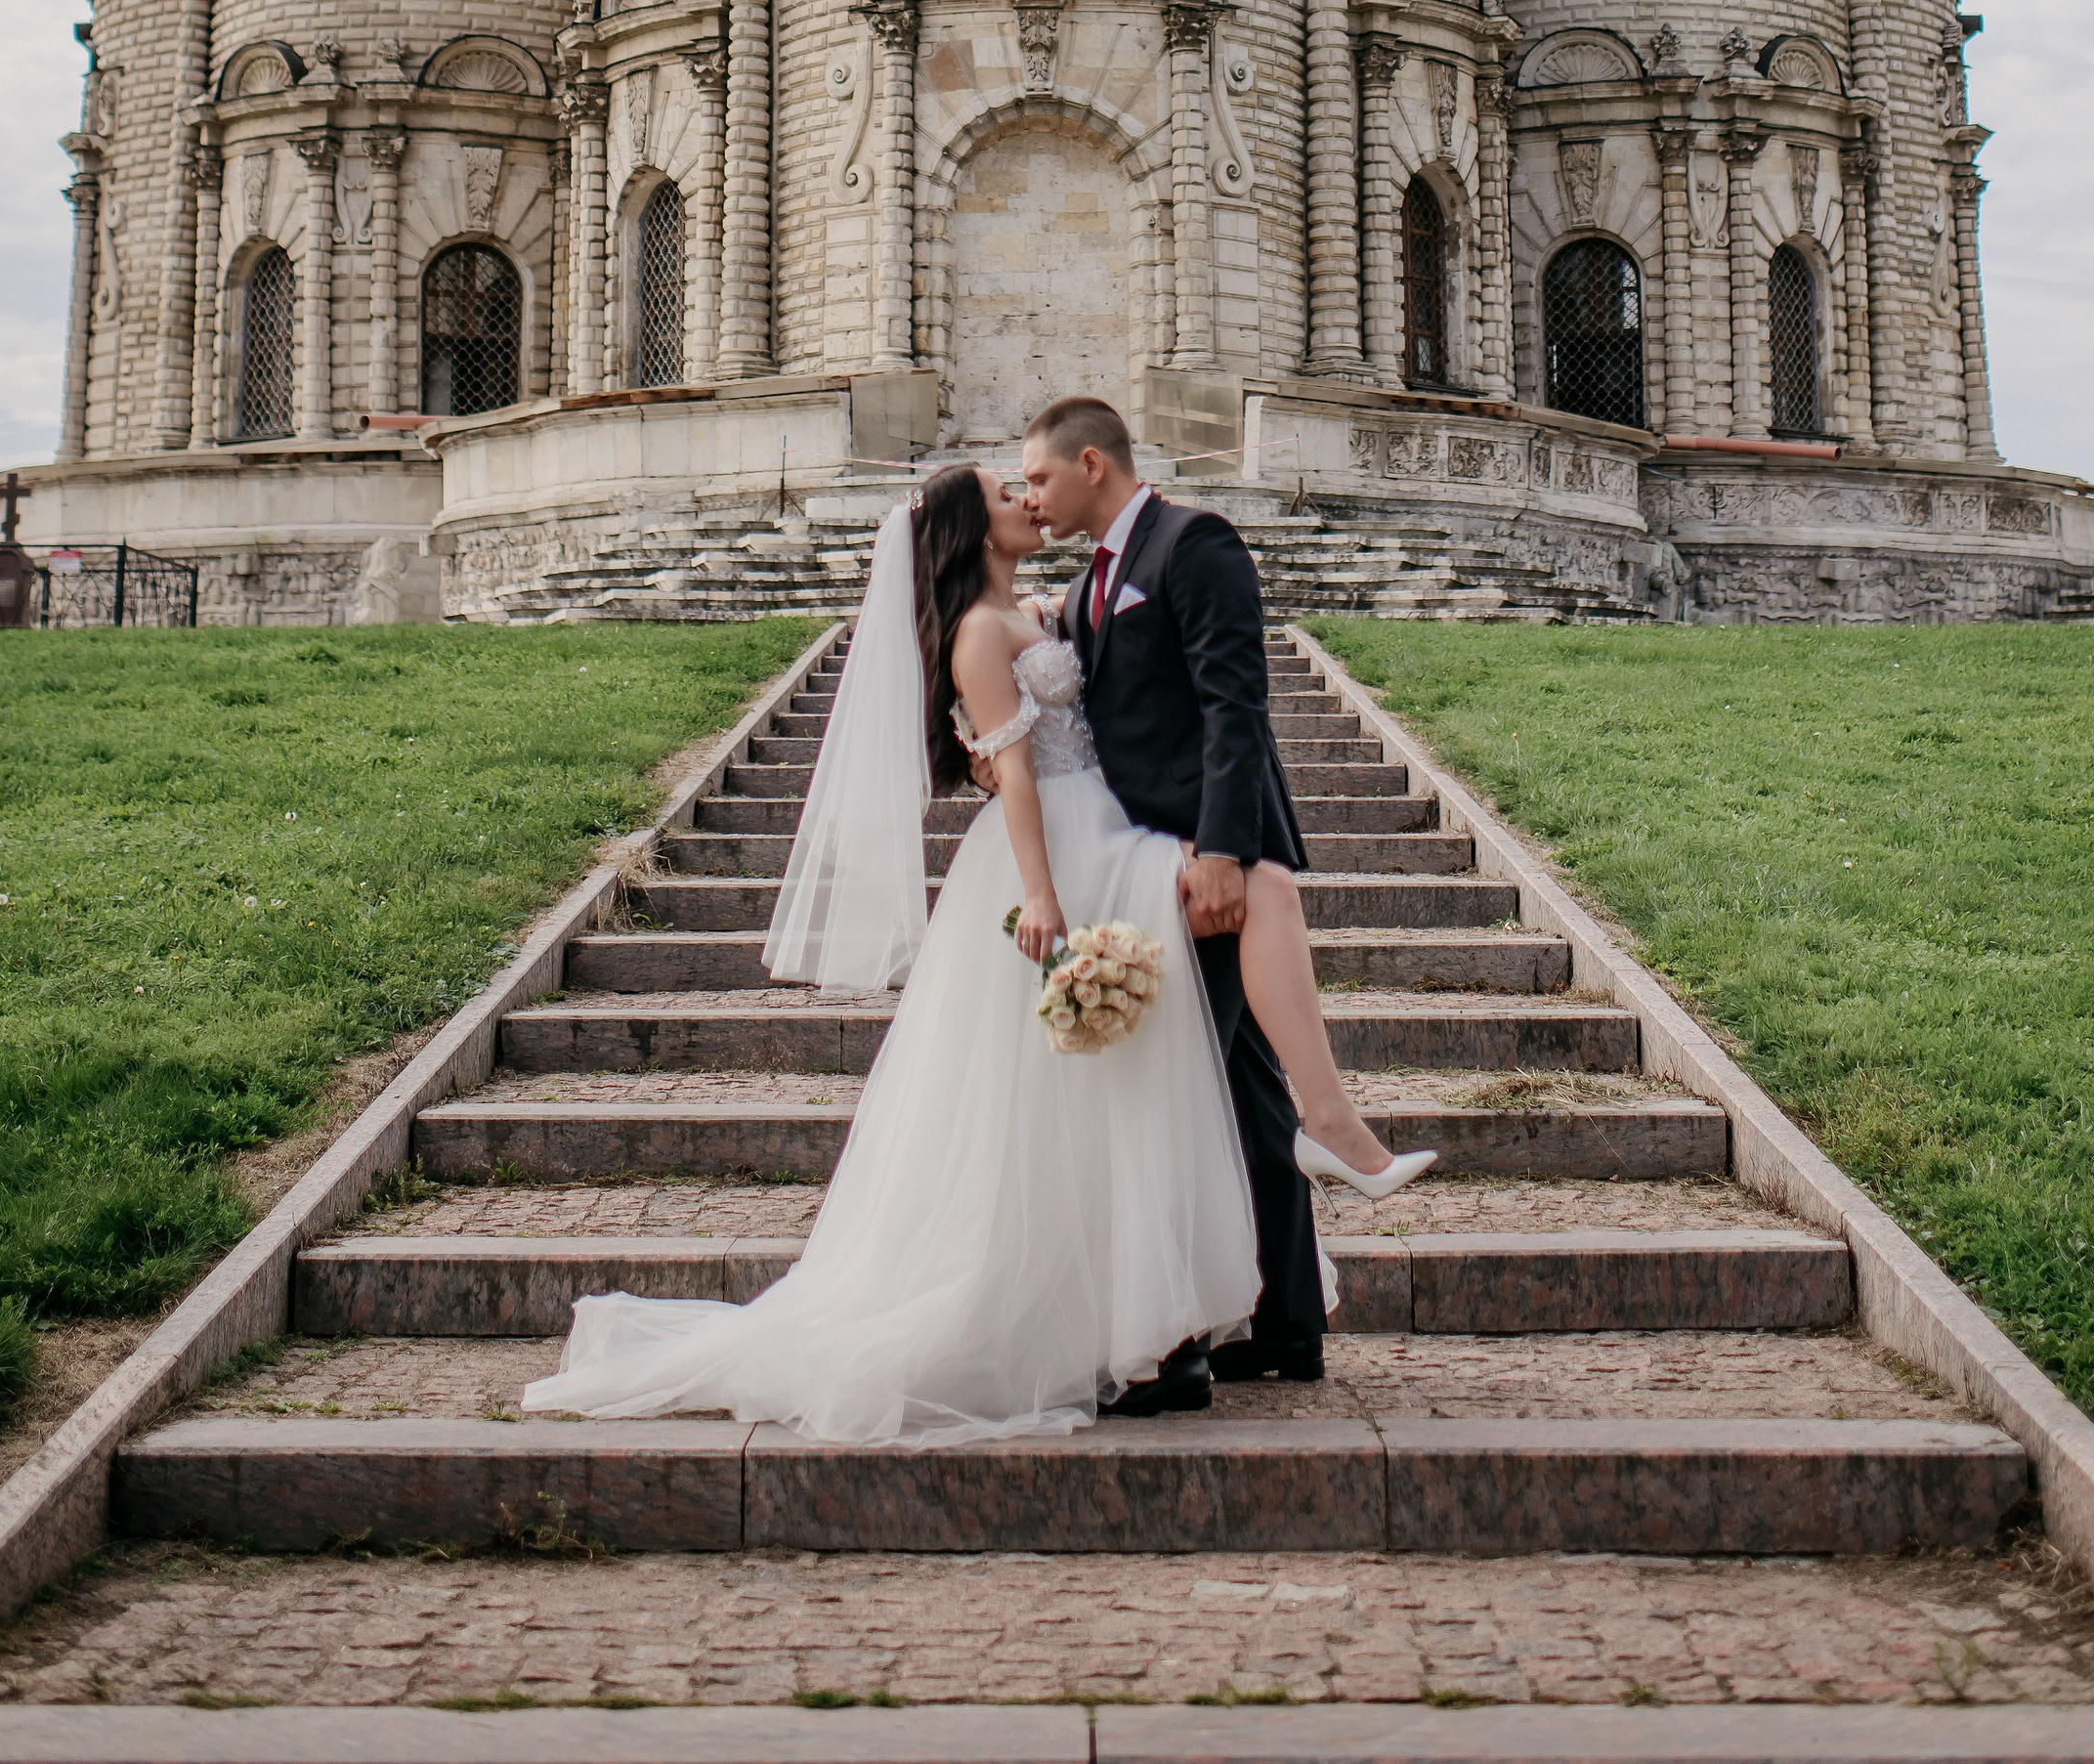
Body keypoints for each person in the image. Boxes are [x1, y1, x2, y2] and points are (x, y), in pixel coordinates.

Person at [521, 461, 1260, 1443]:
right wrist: (1041, 892)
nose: (1026, 499)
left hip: (1105, 831)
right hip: (1049, 852)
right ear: (973, 532)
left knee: (1111, 1091)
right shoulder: (976, 633)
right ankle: (1102, 1327)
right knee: (1052, 1096)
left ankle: (1146, 1325)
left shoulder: (1034, 609)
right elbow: (1016, 773)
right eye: (1005, 494)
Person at [1022, 395, 1435, 1403]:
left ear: (1091, 461)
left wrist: (1221, 849)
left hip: (1207, 865)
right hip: (1150, 864)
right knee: (1247, 1089)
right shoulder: (1085, 583)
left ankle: (1173, 1347)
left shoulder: (1190, 542)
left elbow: (1233, 701)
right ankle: (1288, 1323)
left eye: (1039, 477)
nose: (1031, 498)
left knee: (1171, 1092)